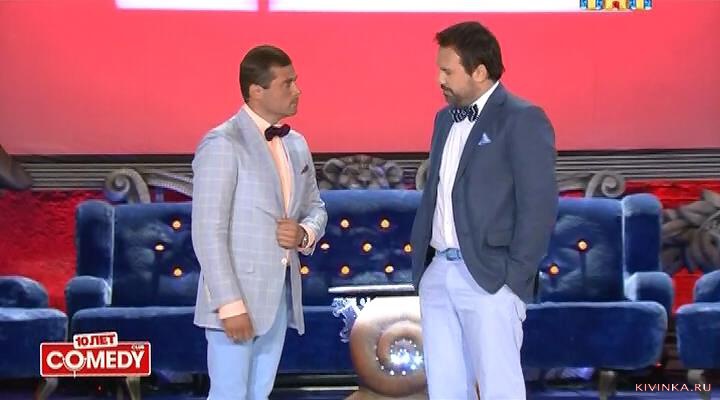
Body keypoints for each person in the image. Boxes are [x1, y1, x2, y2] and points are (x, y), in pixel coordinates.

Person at [410, 21, 558, 399]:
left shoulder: (522, 118)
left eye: (448, 71)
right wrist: (425, 270)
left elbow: (538, 205)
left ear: (479, 72)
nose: (439, 79)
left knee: (499, 388)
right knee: (444, 388)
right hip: (438, 273)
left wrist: (514, 279)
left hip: (491, 278)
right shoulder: (444, 119)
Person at [191, 45, 327, 400]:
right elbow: (208, 232)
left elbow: (316, 208)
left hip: (278, 296)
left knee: (259, 393)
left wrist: (304, 233)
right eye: (287, 83)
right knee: (229, 394)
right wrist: (229, 304)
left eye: (295, 81)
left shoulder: (296, 144)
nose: (297, 90)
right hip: (236, 300)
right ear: (256, 90)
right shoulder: (222, 143)